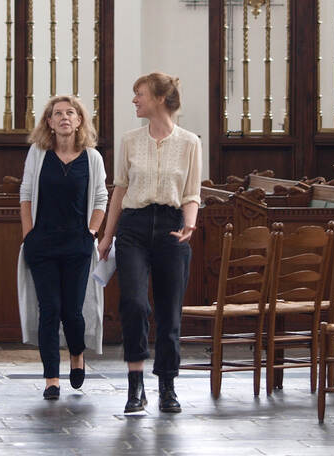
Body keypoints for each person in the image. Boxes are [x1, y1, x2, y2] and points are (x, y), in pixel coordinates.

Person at [98, 72, 202, 414]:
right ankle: (135, 385)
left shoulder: (189, 142)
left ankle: (168, 386)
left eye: (139, 93)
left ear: (159, 98)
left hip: (173, 227)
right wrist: (106, 236)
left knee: (169, 312)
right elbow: (120, 190)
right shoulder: (130, 140)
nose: (134, 100)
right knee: (134, 304)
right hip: (134, 227)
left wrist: (190, 224)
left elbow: (191, 193)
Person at [17, 95, 108, 400]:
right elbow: (26, 194)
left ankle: (78, 355)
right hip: (42, 244)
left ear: (80, 120)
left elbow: (100, 198)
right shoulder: (39, 153)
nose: (65, 117)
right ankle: (51, 378)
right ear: (49, 122)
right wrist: (29, 234)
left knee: (72, 312)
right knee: (49, 310)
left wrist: (92, 231)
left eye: (71, 113)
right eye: (58, 114)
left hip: (77, 245)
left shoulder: (92, 157)